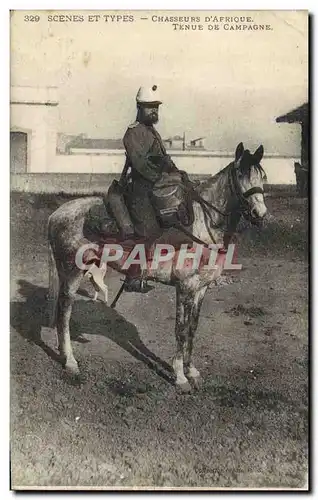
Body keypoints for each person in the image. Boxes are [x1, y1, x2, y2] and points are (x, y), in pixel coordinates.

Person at [121, 85, 180, 292]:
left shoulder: (152, 132)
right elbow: (140, 165)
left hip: (155, 186)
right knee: (146, 230)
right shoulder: (133, 133)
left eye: (156, 107)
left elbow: (163, 158)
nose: (154, 111)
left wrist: (177, 173)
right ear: (139, 107)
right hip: (139, 189)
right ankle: (133, 277)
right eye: (149, 107)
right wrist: (160, 178)